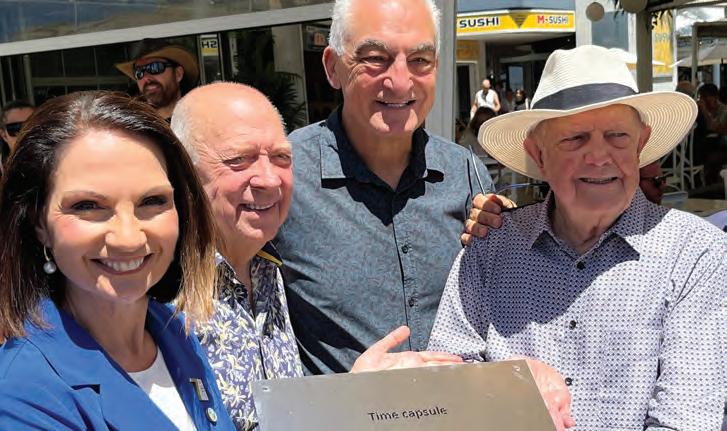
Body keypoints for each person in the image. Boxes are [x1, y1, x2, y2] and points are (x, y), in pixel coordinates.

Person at [430, 45, 726, 430]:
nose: (599, 157)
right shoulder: (490, 248)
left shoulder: (696, 255)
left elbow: (684, 421)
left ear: (640, 145)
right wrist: (511, 385)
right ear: (538, 154)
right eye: (575, 139)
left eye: (617, 136)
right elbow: (444, 391)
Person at [172, 82, 468, 430]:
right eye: (238, 160)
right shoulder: (163, 297)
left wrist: (354, 394)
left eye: (281, 158)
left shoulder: (269, 270)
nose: (269, 179)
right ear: (183, 173)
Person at [276, 0, 504, 377]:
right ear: (332, 67)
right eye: (375, 58)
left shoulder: (464, 172)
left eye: (420, 60)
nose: (400, 81)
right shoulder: (284, 177)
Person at [0, 91, 234, 430]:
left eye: (152, 201)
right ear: (39, 224)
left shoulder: (175, 333)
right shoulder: (24, 393)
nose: (129, 237)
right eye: (87, 206)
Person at [115, 38, 199, 120]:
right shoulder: (132, 125)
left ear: (178, 74)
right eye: (139, 72)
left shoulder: (198, 119)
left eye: (156, 67)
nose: (146, 77)